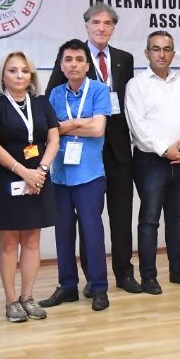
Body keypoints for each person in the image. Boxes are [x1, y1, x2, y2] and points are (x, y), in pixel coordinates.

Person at [47, 3, 139, 294]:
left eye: (107, 23)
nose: (101, 28)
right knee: (88, 218)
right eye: (96, 22)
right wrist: (76, 125)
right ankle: (91, 279)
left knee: (121, 215)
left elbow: (126, 103)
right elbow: (51, 110)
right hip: (82, 152)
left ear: (114, 28)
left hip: (118, 149)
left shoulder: (124, 59)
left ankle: (124, 274)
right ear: (86, 25)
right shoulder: (72, 58)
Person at [0, 51, 59, 322]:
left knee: (32, 239)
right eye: (12, 70)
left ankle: (28, 297)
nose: (19, 75)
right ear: (3, 75)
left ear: (31, 75)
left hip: (38, 178)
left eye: (24, 70)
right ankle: (11, 301)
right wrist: (24, 173)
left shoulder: (42, 103)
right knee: (10, 241)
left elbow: (54, 140)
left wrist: (40, 172)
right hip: (6, 180)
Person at [125, 31, 180, 294]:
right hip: (151, 162)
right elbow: (137, 125)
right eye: (156, 49)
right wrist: (164, 150)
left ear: (173, 54)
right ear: (146, 53)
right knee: (149, 220)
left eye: (167, 49)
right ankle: (148, 276)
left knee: (177, 218)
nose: (161, 54)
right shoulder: (136, 85)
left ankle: (178, 270)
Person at [42, 39, 114, 311]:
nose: (74, 65)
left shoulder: (99, 90)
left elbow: (98, 129)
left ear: (87, 65)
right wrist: (79, 122)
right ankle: (68, 286)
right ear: (61, 66)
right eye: (68, 60)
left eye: (79, 59)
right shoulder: (55, 94)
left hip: (89, 175)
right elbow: (49, 131)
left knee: (92, 231)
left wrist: (65, 126)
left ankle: (99, 287)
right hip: (60, 175)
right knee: (63, 232)